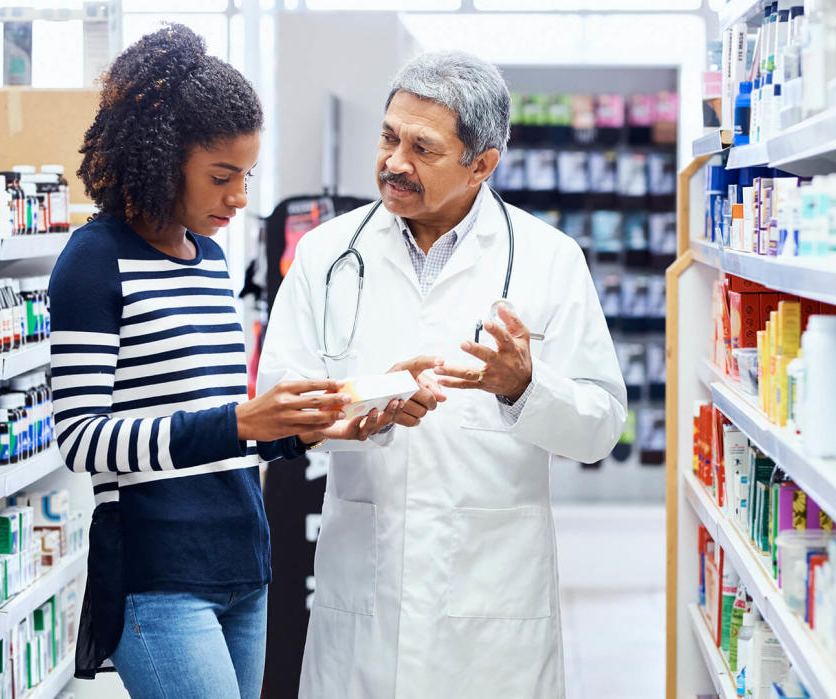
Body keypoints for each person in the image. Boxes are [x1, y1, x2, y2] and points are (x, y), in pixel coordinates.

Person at [258, 50, 626, 698]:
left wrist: (524, 387)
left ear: (482, 163)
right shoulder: (325, 254)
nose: (395, 162)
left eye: (423, 148)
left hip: (490, 610)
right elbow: (274, 405)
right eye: (389, 136)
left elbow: (600, 428)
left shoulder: (548, 260)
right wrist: (358, 411)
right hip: (363, 601)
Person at [51, 24, 399, 699]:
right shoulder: (93, 262)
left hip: (244, 557)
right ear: (161, 157)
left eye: (246, 175)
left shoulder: (209, 262)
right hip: (158, 576)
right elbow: (82, 438)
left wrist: (309, 427)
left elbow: (219, 437)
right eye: (221, 176)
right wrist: (241, 420)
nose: (239, 197)